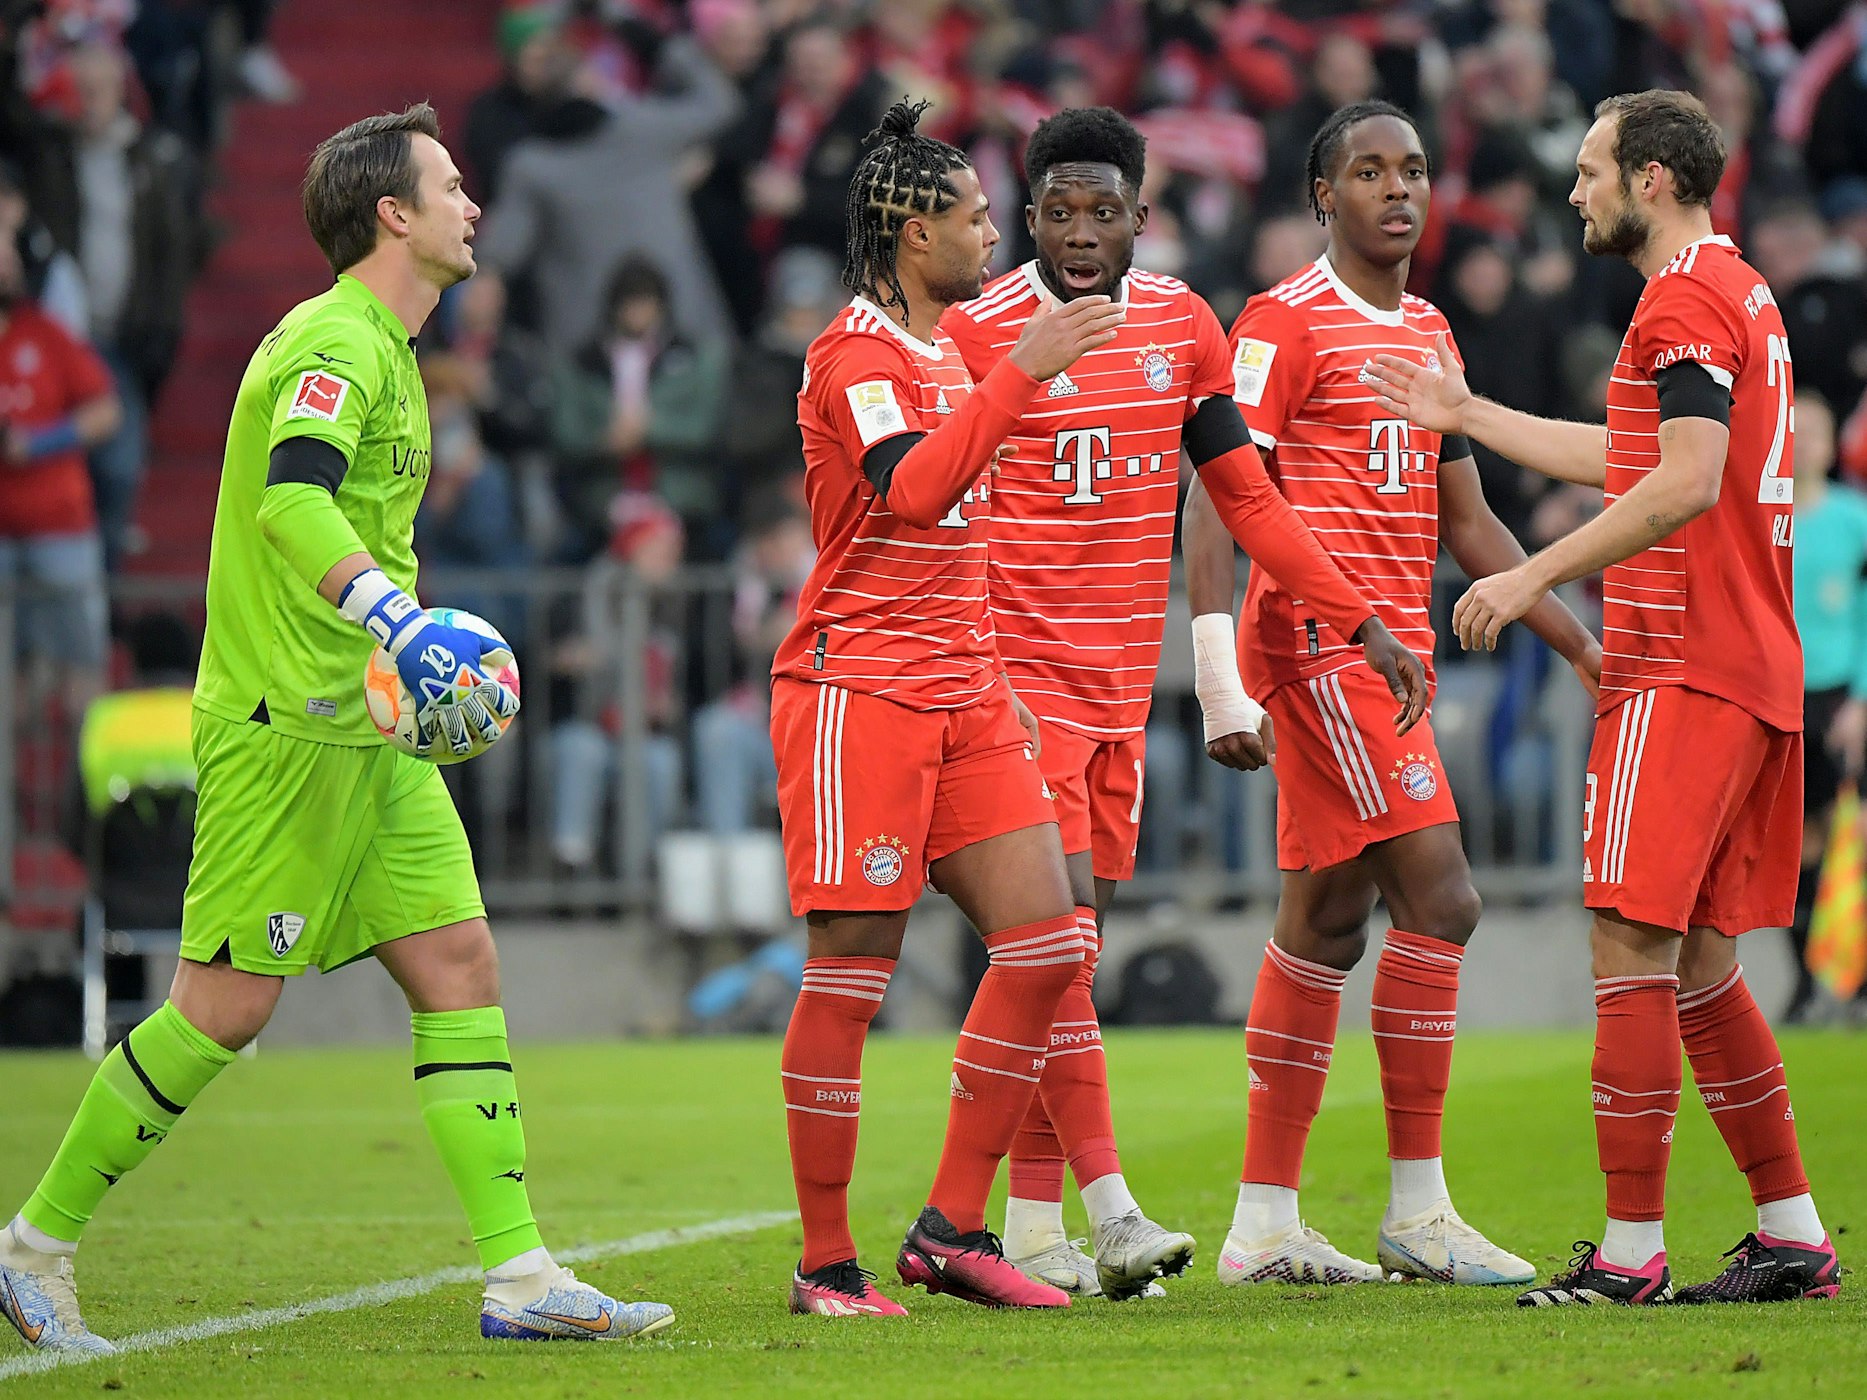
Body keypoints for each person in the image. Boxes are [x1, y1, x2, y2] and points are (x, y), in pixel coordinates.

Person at [0, 105, 673, 1357]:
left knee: (460, 959)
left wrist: (401, 653)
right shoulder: (333, 339)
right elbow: (289, 500)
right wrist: (398, 620)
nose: (474, 206)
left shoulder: (399, 351)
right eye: (452, 186)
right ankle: (32, 1243)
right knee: (223, 1007)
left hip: (371, 735)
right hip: (283, 730)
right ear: (393, 215)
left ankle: (520, 1276)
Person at [939, 106, 1429, 1301]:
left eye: (1104, 210)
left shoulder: (1181, 325)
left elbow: (1250, 503)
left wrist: (1356, 614)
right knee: (1050, 945)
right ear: (1027, 212)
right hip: (1012, 681)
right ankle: (1107, 1210)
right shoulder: (976, 331)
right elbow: (936, 481)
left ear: (1139, 217)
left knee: (1067, 954)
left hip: (1113, 695)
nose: (1080, 233)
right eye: (1057, 209)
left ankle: (1032, 1219)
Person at [1365, 88, 1840, 1306]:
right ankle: (1791, 1228)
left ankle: (1630, 1254)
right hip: (1749, 665)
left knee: (1628, 941)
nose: (1571, 192)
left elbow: (1681, 485)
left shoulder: (1680, 300)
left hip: (1680, 660)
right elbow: (1636, 453)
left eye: (1588, 171)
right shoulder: (1737, 293)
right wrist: (1469, 414)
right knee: (1696, 965)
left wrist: (1532, 569)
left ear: (1652, 181)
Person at [1180, 99, 1599, 1290]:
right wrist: (1218, 673)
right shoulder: (1279, 321)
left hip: (1386, 650)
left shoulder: (1427, 331)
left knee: (1321, 922)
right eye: (1367, 171)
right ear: (1324, 196)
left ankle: (1262, 1222)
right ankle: (1418, 1208)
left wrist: (1571, 638)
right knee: (1446, 895)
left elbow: (1468, 521)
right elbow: (1221, 491)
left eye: (1412, 168)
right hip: (1322, 651)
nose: (1396, 188)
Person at [774, 97, 1122, 1319]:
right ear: (914, 231)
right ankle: (825, 1263)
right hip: (856, 689)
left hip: (970, 693)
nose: (994, 235)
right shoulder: (854, 356)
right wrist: (1026, 367)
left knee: (1048, 944)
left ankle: (949, 1225)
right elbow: (915, 488)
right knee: (853, 969)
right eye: (976, 217)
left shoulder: (959, 344)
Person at [0, 224, 121, 723]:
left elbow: (106, 411)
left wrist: (39, 442)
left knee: (81, 670)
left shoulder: (43, 333)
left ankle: (91, 797)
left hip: (62, 530)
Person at [1783, 391, 1867, 1021]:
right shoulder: (1765, 517)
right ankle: (1808, 980)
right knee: (1797, 847)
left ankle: (1853, 981)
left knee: (1853, 837)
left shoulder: (1855, 518)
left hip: (1844, 696)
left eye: (1814, 429)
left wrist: (1864, 698)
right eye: (1794, 429)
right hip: (1784, 696)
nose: (1803, 440)